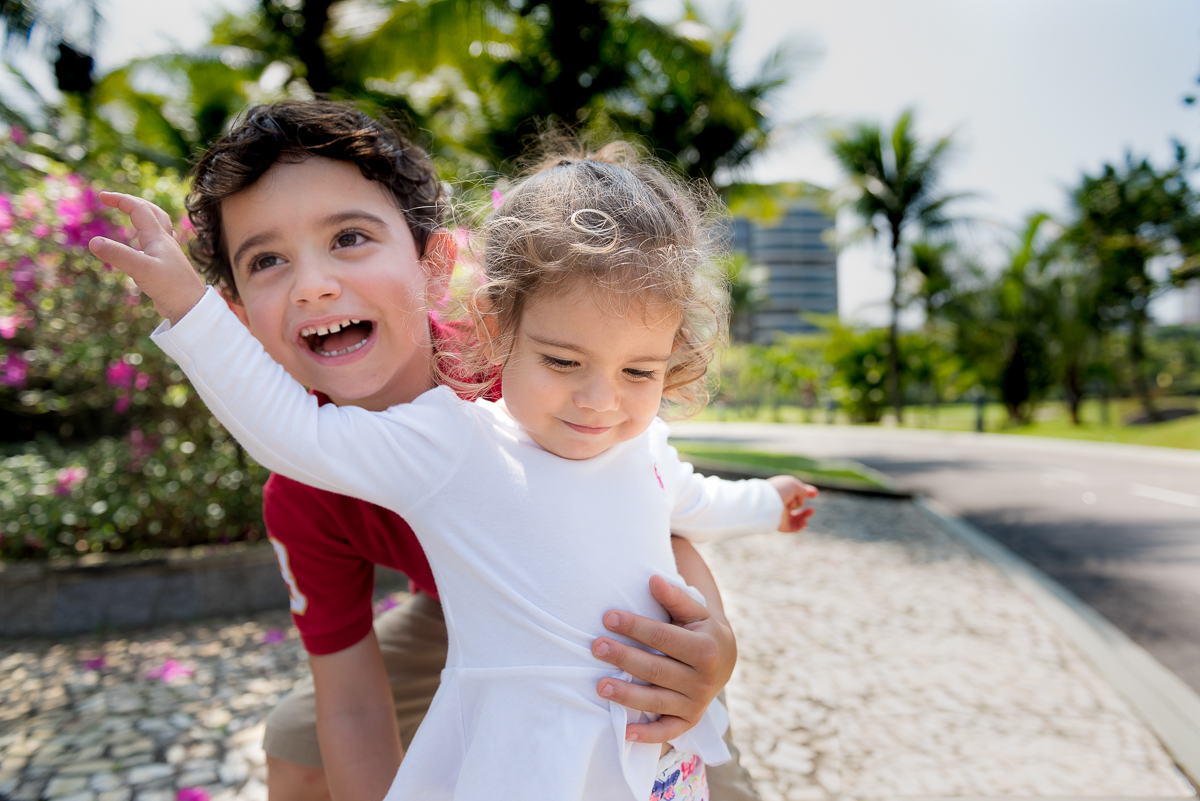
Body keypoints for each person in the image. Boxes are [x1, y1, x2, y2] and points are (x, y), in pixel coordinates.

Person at [91, 126, 816, 800]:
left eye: (349, 236)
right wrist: (187, 307)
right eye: (269, 260)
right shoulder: (337, 476)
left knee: (692, 744)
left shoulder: (542, 368)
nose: (314, 283)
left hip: (619, 624)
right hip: (464, 616)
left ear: (433, 266)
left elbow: (664, 504)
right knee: (296, 735)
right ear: (241, 317)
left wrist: (715, 638)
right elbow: (350, 703)